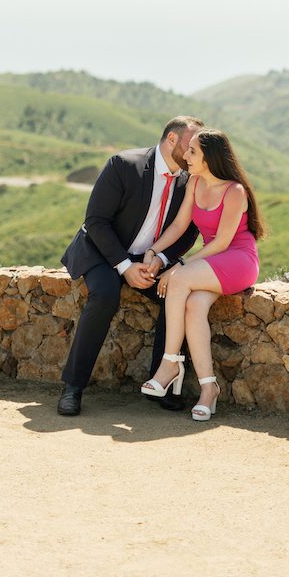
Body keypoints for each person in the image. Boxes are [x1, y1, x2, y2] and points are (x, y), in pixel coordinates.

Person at [57, 115, 204, 416]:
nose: (194, 153)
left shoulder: (191, 180)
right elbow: (95, 222)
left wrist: (162, 259)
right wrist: (125, 266)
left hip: (151, 258)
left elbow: (190, 230)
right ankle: (73, 386)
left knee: (177, 292)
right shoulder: (124, 164)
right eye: (191, 145)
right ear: (172, 139)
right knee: (105, 295)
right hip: (101, 251)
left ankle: (159, 382)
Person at [139, 128, 265, 421]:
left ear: (210, 157)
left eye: (193, 151)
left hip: (238, 260)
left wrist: (179, 267)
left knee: (178, 279)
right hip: (212, 262)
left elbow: (222, 242)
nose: (186, 156)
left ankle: (170, 364)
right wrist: (154, 252)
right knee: (194, 306)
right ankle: (209, 390)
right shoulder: (194, 183)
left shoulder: (235, 191)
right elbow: (180, 225)